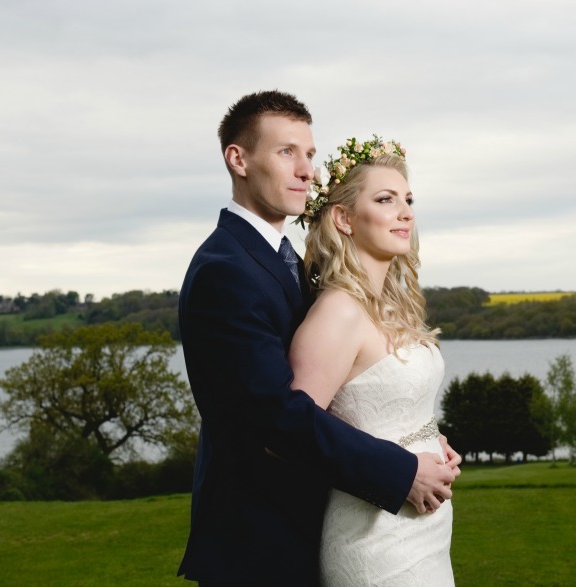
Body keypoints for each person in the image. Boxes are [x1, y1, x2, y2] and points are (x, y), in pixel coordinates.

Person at [177, 90, 460, 586]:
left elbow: (347, 389)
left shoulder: (294, 267)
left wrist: (418, 438)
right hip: (259, 546)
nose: (307, 170)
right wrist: (401, 470)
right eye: (287, 152)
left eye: (309, 153)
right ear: (238, 159)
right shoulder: (224, 271)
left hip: (320, 525)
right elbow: (276, 419)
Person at [289, 136, 456, 585]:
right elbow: (295, 431)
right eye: (385, 200)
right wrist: (403, 468)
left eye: (408, 200)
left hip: (426, 531)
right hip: (375, 536)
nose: (406, 212)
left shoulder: (389, 308)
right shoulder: (338, 312)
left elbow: (385, 408)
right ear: (343, 218)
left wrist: (429, 439)